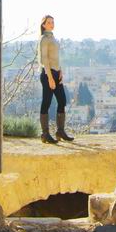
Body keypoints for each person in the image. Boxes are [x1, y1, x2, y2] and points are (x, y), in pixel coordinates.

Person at [38, 15, 74, 144]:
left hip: (56, 72)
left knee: (62, 101)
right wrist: (50, 78)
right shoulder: (44, 39)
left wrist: (60, 71)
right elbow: (44, 59)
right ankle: (45, 133)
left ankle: (60, 131)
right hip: (48, 74)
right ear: (43, 25)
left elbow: (56, 57)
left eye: (53, 22)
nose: (52, 24)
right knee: (46, 103)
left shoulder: (53, 38)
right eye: (49, 22)